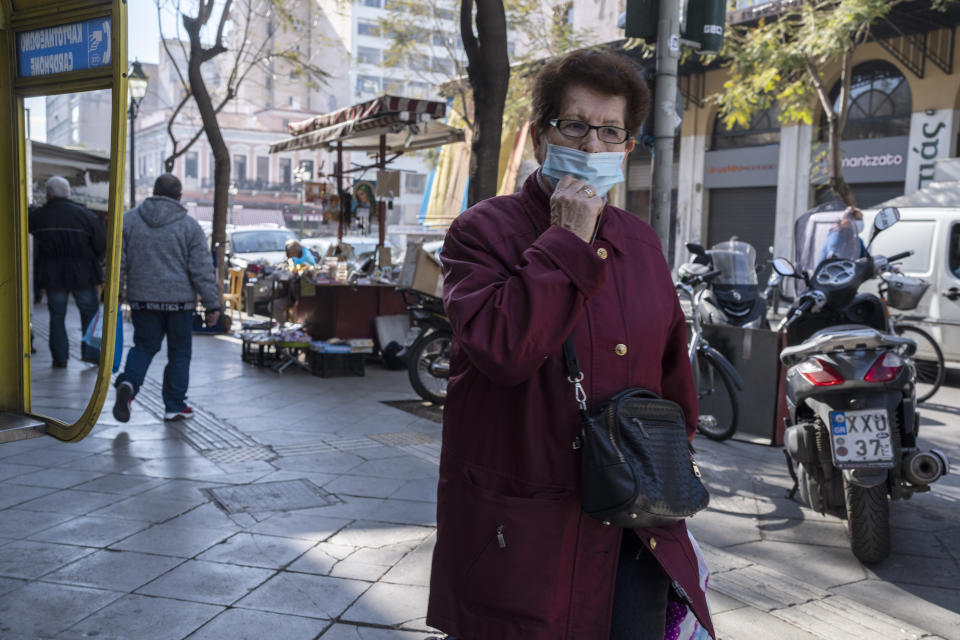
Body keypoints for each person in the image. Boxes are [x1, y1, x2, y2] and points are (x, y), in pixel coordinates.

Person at [426, 49, 714, 640]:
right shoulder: (481, 231)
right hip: (521, 532)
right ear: (539, 138)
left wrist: (666, 477)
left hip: (633, 528)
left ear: (628, 149)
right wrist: (566, 239)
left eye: (611, 132)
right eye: (575, 126)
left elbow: (673, 378)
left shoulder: (640, 242)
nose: (591, 146)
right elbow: (504, 350)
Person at [113, 174, 220, 423]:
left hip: (142, 300)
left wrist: (115, 293)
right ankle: (174, 405)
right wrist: (212, 304)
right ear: (179, 197)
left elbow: (118, 261)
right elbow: (202, 270)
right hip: (180, 303)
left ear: (153, 192)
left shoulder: (129, 221)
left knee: (144, 346)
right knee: (179, 352)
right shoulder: (189, 226)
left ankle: (128, 384)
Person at [28, 176, 106, 367]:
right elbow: (101, 243)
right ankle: (92, 353)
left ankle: (60, 358)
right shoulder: (85, 215)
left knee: (57, 316)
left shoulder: (38, 217)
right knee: (90, 313)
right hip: (84, 272)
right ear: (68, 193)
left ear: (48, 195)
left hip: (53, 273)